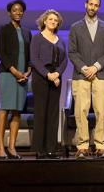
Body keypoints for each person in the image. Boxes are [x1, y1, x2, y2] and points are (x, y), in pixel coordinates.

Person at [68, 0, 104, 158]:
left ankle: (101, 145)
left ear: (99, 7)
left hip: (101, 75)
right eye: (90, 4)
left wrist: (95, 67)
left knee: (102, 111)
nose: (93, 7)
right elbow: (72, 52)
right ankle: (82, 146)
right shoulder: (75, 27)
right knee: (81, 111)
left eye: (96, 5)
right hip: (81, 75)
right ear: (85, 4)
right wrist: (84, 68)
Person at [0, 0, 32, 159]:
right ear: (9, 12)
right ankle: (0, 147)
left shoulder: (26, 32)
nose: (18, 13)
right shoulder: (4, 29)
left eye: (20, 10)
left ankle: (12, 148)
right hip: (8, 74)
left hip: (23, 76)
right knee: (5, 108)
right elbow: (1, 53)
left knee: (17, 111)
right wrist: (14, 71)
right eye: (15, 10)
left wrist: (28, 70)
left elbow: (29, 54)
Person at [30, 9, 68, 159]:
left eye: (55, 20)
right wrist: (48, 75)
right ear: (44, 21)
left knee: (53, 114)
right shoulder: (37, 38)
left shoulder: (60, 40)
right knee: (41, 113)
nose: (53, 22)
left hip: (56, 78)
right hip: (41, 77)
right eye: (50, 19)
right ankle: (40, 149)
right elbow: (34, 59)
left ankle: (51, 148)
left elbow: (64, 60)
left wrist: (57, 74)